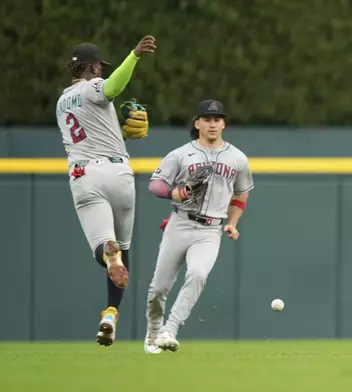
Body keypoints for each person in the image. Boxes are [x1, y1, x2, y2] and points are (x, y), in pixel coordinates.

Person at [55, 36, 156, 346]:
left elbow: (93, 130)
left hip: (87, 176)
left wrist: (120, 131)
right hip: (120, 173)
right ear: (94, 66)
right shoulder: (93, 87)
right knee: (123, 251)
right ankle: (111, 312)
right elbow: (112, 87)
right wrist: (134, 56)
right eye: (100, 67)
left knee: (106, 250)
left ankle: (107, 257)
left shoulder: (62, 102)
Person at [144, 99, 254, 353]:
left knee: (198, 275)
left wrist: (233, 223)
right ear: (198, 123)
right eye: (207, 119)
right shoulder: (181, 154)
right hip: (180, 223)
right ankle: (153, 330)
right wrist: (175, 193)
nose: (212, 124)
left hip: (210, 230)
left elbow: (241, 194)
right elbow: (155, 184)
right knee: (159, 288)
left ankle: (170, 329)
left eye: (217, 119)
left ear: (223, 123)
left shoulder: (237, 158)